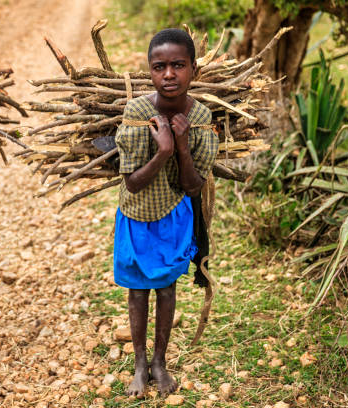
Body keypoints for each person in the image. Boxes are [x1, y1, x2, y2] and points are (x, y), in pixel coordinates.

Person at [113, 29, 218, 396]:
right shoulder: (138, 112)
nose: (169, 74)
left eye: (178, 65)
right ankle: (140, 365)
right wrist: (162, 152)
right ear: (150, 71)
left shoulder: (202, 118)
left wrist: (183, 149)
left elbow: (192, 188)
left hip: (175, 217)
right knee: (138, 292)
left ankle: (160, 362)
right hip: (135, 215)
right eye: (160, 67)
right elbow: (132, 183)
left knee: (167, 287)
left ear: (193, 69)